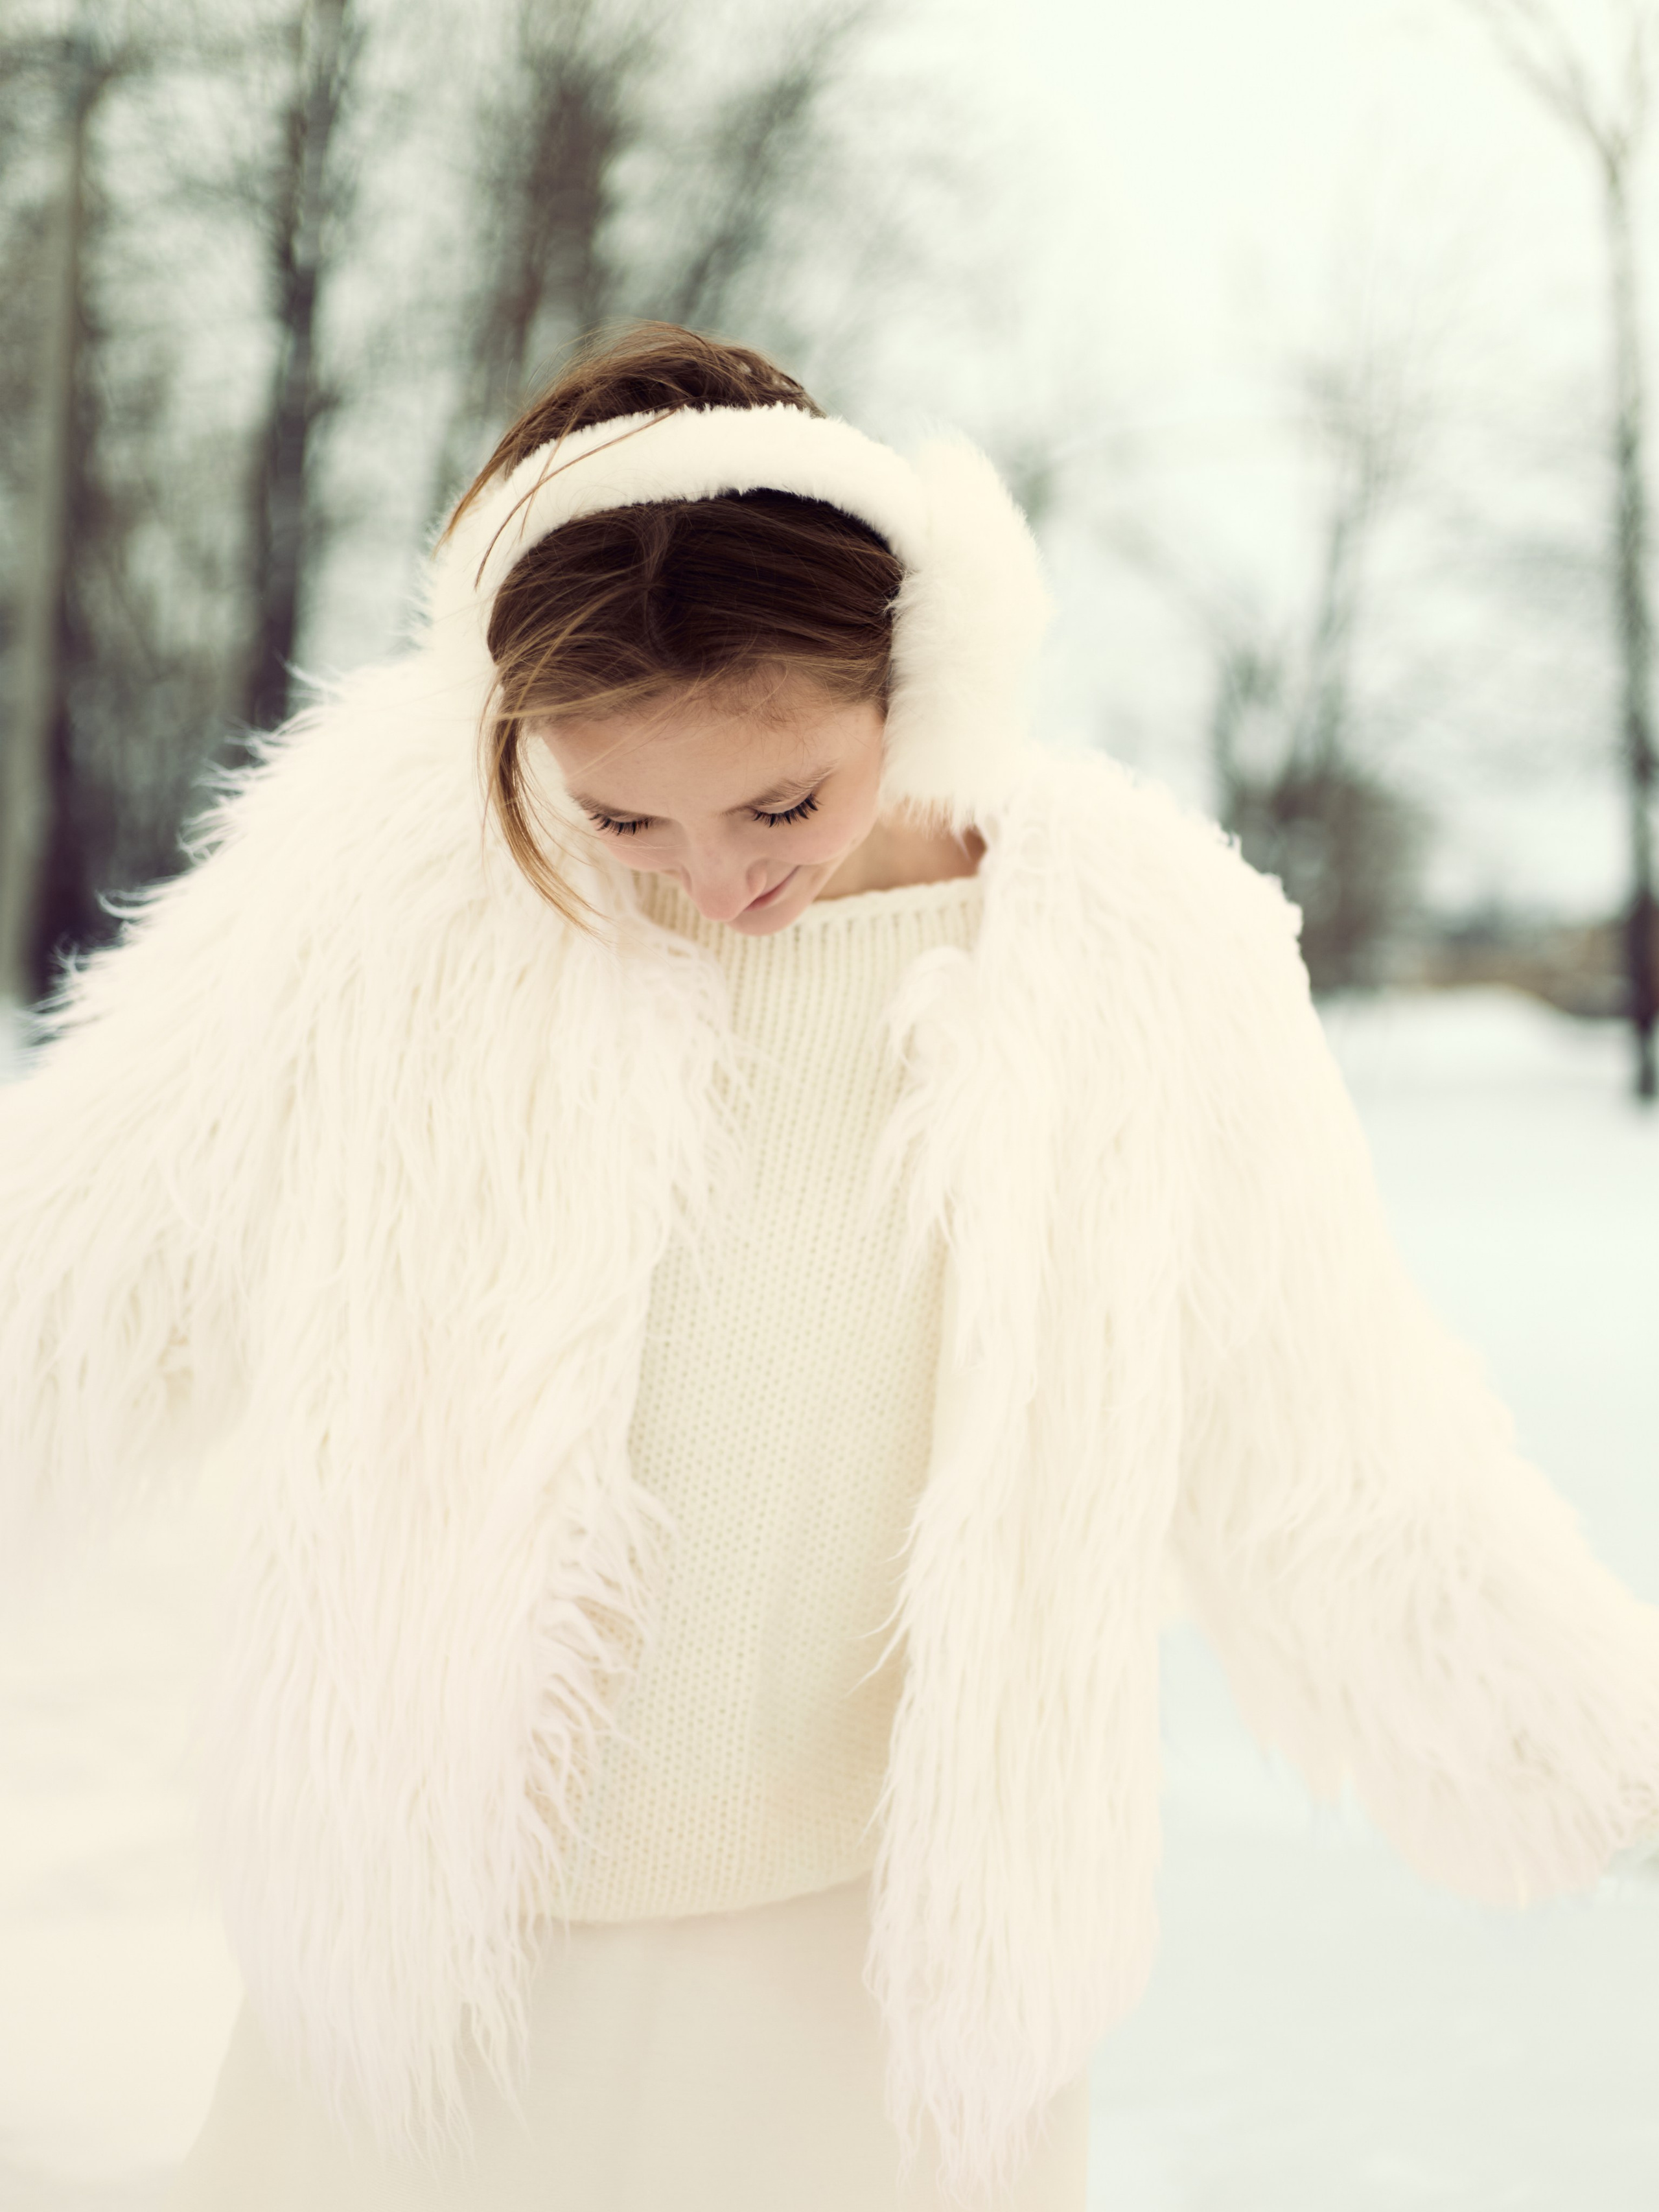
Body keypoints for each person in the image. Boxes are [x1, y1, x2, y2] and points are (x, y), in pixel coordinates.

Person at [3, 322, 1656, 2212]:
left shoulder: (1133, 960)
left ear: (921, 677)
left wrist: (1616, 1765)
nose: (713, 880)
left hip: (870, 2002)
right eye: (622, 816)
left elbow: (1343, 1457)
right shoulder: (400, 892)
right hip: (444, 1978)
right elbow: (66, 1274)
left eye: (781, 800)